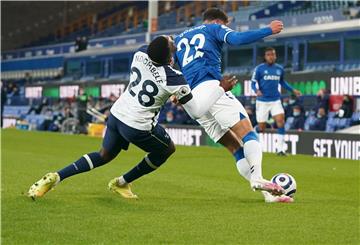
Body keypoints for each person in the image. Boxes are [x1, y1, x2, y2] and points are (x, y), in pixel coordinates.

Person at [27, 36, 237, 200]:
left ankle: (56, 177)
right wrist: (221, 89)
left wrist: (173, 91)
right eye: (171, 44)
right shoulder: (174, 78)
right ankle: (122, 182)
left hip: (117, 114)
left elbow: (157, 52)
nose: (172, 41)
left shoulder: (140, 54)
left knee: (104, 155)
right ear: (170, 58)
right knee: (167, 149)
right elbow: (197, 111)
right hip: (137, 125)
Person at [174, 8, 289, 202]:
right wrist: (268, 30)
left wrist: (178, 93)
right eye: (225, 24)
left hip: (192, 99)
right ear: (219, 21)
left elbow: (175, 70)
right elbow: (237, 39)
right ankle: (258, 178)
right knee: (248, 133)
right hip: (212, 88)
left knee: (235, 148)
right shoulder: (214, 29)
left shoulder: (179, 40)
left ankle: (268, 195)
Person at [251, 47, 301, 156]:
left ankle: (280, 149)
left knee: (280, 121)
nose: (271, 56)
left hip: (275, 100)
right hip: (262, 101)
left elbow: (282, 82)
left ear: (275, 56)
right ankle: (254, 132)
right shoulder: (259, 69)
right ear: (265, 57)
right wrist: (256, 90)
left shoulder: (279, 69)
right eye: (268, 54)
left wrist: (293, 90)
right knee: (262, 128)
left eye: (273, 54)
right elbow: (253, 83)